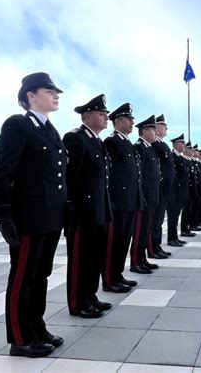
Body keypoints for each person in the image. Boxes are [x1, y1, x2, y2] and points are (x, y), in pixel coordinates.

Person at [0, 72, 66, 357]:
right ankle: (20, 338)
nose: (55, 95)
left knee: (41, 275)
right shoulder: (18, 125)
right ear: (30, 96)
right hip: (28, 218)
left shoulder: (49, 129)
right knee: (22, 277)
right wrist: (3, 217)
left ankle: (36, 325)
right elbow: (2, 174)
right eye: (49, 91)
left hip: (49, 218)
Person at [63, 94, 113, 318]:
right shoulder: (75, 138)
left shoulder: (96, 141)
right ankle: (77, 302)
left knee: (94, 257)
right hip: (82, 212)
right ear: (87, 116)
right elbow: (70, 178)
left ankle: (90, 296)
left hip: (99, 211)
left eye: (106, 115)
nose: (106, 118)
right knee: (80, 259)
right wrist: (71, 209)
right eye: (101, 114)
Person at [103, 103, 143, 292]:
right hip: (118, 201)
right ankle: (109, 279)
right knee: (114, 241)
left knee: (124, 240)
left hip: (129, 200)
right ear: (117, 121)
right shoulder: (112, 142)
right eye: (129, 120)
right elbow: (109, 173)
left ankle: (117, 275)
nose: (132, 123)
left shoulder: (126, 141)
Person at [130, 115, 160, 274]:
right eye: (153, 129)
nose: (156, 132)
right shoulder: (139, 147)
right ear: (144, 131)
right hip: (144, 197)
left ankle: (142, 259)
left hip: (152, 195)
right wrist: (140, 195)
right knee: (139, 230)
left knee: (146, 229)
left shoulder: (149, 147)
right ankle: (135, 261)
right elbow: (139, 176)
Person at [150, 114, 174, 258]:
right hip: (158, 188)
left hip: (165, 189)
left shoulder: (162, 144)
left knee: (159, 220)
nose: (166, 129)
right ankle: (153, 248)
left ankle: (157, 246)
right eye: (164, 126)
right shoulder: (155, 144)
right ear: (157, 127)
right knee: (155, 221)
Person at [166, 133, 189, 246]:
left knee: (176, 216)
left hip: (180, 192)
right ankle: (171, 238)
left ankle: (175, 237)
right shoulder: (172, 156)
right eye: (182, 142)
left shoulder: (179, 157)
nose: (183, 145)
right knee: (173, 216)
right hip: (174, 192)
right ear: (176, 144)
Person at [180, 141, 197, 238]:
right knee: (186, 210)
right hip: (186, 189)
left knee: (189, 210)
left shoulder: (189, 161)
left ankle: (187, 228)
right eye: (190, 149)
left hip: (191, 190)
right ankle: (184, 229)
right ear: (185, 150)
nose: (192, 151)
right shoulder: (183, 160)